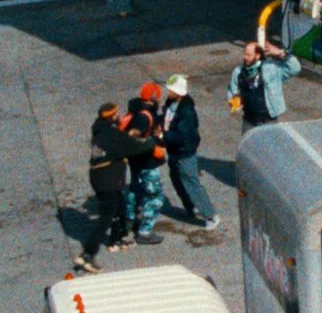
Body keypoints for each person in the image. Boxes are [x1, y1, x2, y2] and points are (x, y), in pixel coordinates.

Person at [78, 102, 154, 273]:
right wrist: (153, 140)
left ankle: (116, 239)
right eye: (117, 114)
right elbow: (137, 146)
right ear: (113, 116)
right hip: (109, 179)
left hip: (98, 177)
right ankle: (87, 254)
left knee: (119, 203)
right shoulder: (114, 135)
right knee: (105, 216)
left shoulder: (99, 129)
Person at [158, 74, 218, 230]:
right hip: (173, 151)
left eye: (170, 89)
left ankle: (210, 215)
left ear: (178, 92)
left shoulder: (187, 112)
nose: (167, 92)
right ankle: (190, 208)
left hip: (184, 153)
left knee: (191, 183)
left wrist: (163, 136)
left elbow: (182, 136)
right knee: (177, 180)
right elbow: (165, 119)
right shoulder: (171, 103)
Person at [124, 83, 167, 239]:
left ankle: (129, 221)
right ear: (154, 98)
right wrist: (153, 142)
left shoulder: (136, 110)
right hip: (147, 163)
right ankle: (145, 231)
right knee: (155, 196)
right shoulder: (145, 117)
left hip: (135, 161)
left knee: (135, 189)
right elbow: (132, 136)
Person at [229, 40, 300, 129]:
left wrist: (280, 53)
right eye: (244, 54)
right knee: (249, 143)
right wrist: (233, 100)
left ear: (258, 55)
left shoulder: (271, 68)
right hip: (249, 121)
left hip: (268, 121)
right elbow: (232, 90)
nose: (245, 57)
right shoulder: (238, 71)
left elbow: (295, 68)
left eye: (248, 55)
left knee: (269, 143)